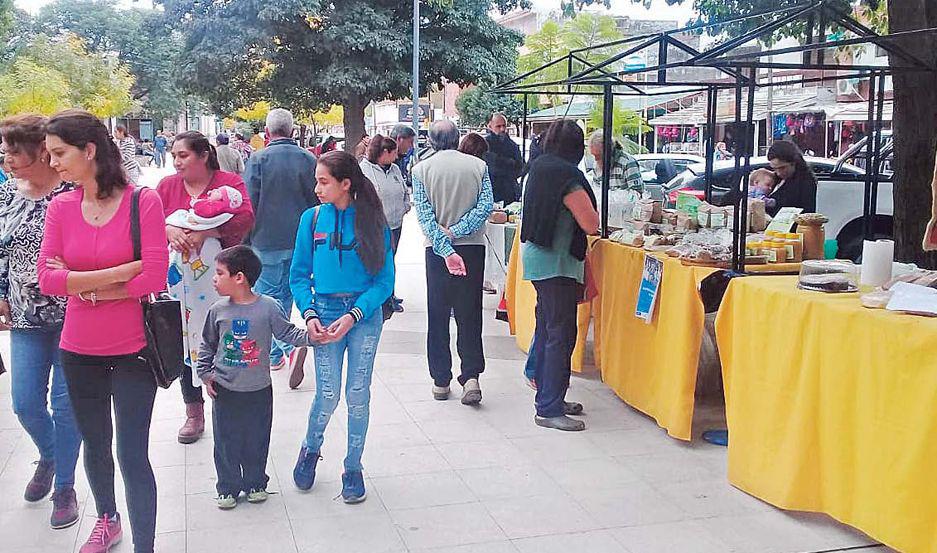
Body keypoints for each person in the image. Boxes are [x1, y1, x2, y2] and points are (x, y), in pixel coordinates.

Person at [38, 109, 169, 553]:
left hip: (132, 348)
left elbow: (153, 276)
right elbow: (48, 280)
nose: (52, 163)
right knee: (95, 445)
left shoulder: (142, 202)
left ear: (89, 150)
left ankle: (145, 544)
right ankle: (107, 519)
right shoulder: (61, 207)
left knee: (132, 454)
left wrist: (83, 286)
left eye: (59, 153)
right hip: (78, 348)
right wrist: (117, 277)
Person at [289, 150, 394, 503]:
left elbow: (384, 283)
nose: (316, 188)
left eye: (323, 182)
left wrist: (354, 315)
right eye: (316, 181)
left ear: (345, 184)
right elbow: (299, 276)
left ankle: (353, 466)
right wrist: (310, 313)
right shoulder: (311, 219)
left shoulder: (374, 221)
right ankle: (310, 448)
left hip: (362, 316)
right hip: (324, 312)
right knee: (328, 393)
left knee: (357, 394)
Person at [0, 114, 81, 529]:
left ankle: (65, 486)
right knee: (25, 402)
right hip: (25, 316)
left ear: (41, 151)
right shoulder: (7, 195)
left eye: (14, 150)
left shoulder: (75, 191)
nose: (6, 157)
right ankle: (50, 455)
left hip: (75, 315)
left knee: (67, 406)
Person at [157, 131, 255, 445]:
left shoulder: (228, 183)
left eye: (183, 155)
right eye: (174, 155)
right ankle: (193, 411)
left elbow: (246, 218)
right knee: (186, 340)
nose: (176, 162)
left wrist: (208, 232)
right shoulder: (167, 187)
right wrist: (170, 228)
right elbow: (149, 220)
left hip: (221, 280)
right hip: (179, 285)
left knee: (223, 337)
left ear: (203, 155)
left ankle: (230, 404)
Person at [197, 245, 311, 509]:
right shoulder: (217, 310)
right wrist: (205, 373)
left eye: (219, 273)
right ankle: (227, 487)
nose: (214, 279)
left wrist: (312, 338)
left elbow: (288, 334)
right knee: (226, 441)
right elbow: (207, 344)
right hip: (225, 389)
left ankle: (256, 483)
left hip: (259, 389)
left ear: (240, 278)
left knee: (258, 438)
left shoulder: (269, 308)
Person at [521, 119, 599, 432]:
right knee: (560, 335)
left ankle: (549, 393)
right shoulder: (568, 177)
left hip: (540, 259)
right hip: (557, 264)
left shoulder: (539, 167)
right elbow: (591, 224)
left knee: (548, 327)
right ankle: (549, 407)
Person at [413, 120, 493, 404]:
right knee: (469, 313)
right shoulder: (478, 167)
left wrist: (444, 243)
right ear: (457, 138)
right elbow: (485, 207)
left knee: (438, 313)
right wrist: (457, 232)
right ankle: (471, 375)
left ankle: (440, 379)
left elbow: (423, 216)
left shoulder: (420, 170)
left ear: (431, 142)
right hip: (471, 247)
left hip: (436, 252)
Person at [243, 108, 319, 388]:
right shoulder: (309, 159)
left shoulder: (258, 159)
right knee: (287, 295)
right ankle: (278, 354)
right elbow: (318, 199)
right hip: (301, 239)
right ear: (291, 131)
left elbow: (248, 203)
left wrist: (244, 242)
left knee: (269, 298)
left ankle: (285, 348)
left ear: (267, 132)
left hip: (266, 241)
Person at [359, 134, 410, 313]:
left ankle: (390, 294)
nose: (396, 156)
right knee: (377, 262)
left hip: (395, 225)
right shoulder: (364, 170)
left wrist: (405, 206)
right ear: (384, 152)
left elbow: (404, 190)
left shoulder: (394, 169)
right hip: (375, 226)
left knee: (390, 260)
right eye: (394, 152)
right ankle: (379, 298)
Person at [766, 140, 818, 216]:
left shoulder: (806, 182)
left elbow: (808, 214)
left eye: (782, 168)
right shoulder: (771, 178)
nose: (779, 173)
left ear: (794, 163)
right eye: (775, 169)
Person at [589, 130, 644, 199]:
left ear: (608, 152)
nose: (596, 159)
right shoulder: (596, 165)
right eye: (593, 155)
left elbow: (638, 193)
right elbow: (596, 191)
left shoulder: (627, 163)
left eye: (599, 155)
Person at [484, 113, 524, 205]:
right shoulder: (485, 144)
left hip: (510, 191)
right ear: (490, 126)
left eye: (504, 126)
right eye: (498, 126)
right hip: (492, 191)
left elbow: (520, 167)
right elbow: (491, 166)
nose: (502, 129)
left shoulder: (512, 145)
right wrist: (509, 163)